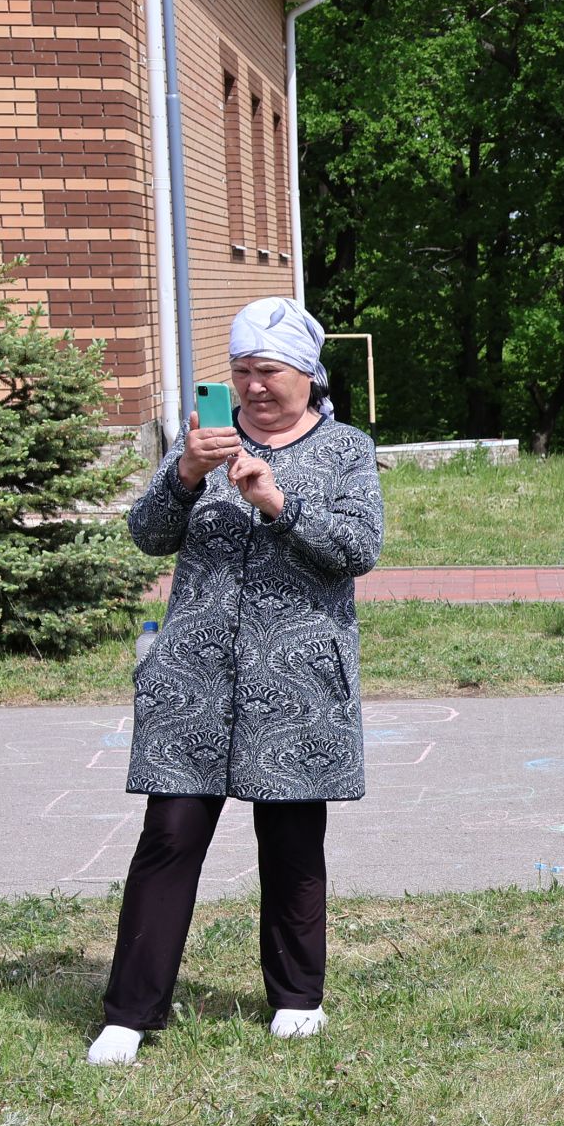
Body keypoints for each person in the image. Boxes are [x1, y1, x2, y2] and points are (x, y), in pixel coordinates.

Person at [87, 298, 384, 1065]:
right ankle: (129, 1013)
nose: (253, 388)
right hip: (193, 678)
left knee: (291, 839)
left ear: (308, 376)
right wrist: (187, 473)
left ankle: (295, 998)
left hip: (296, 680)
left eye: (270, 373)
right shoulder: (202, 441)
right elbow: (148, 534)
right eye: (242, 372)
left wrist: (275, 501)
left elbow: (357, 547)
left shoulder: (346, 448)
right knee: (169, 835)